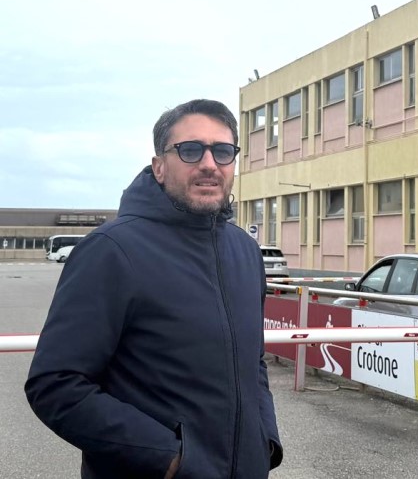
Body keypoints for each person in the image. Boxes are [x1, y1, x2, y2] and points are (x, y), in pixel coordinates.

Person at [25, 99, 283, 478]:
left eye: (223, 151)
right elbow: (56, 385)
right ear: (159, 167)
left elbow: (253, 362)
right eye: (190, 150)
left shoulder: (245, 251)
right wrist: (170, 460)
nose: (209, 164)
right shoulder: (111, 250)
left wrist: (265, 441)